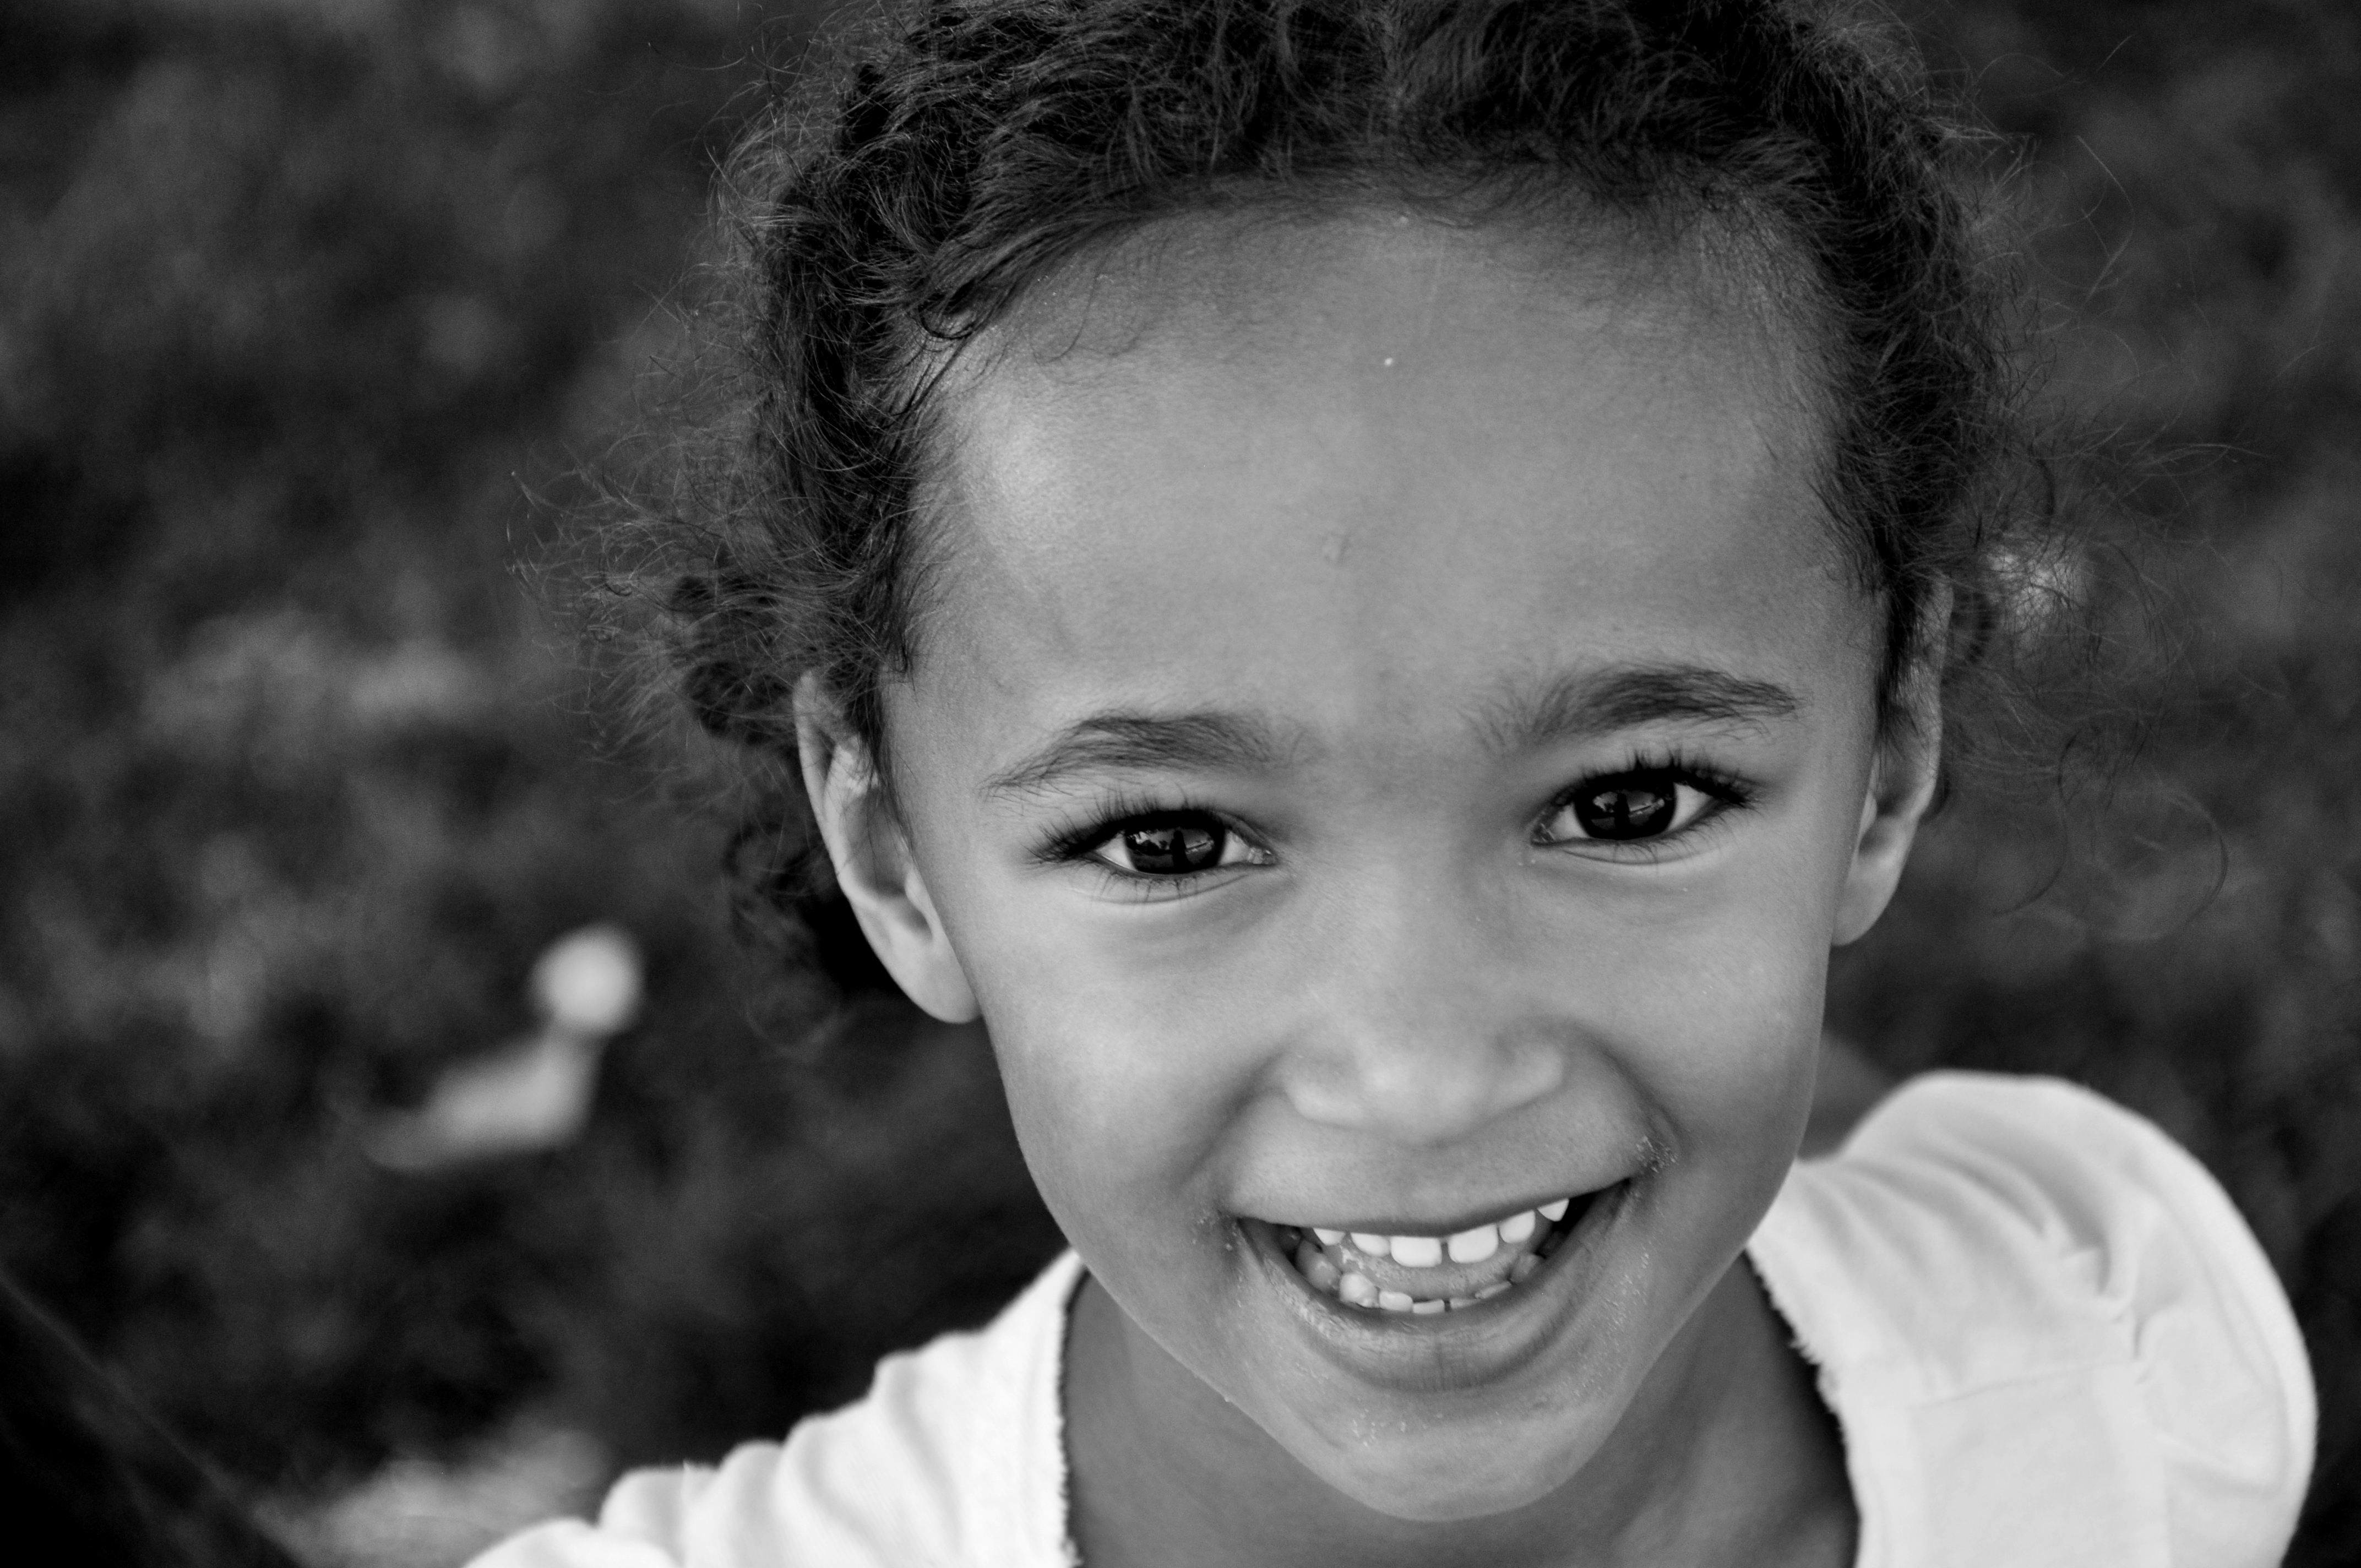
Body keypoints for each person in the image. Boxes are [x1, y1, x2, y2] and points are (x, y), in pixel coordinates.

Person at [478, 1, 2315, 1561]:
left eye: (1627, 806)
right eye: (1171, 839)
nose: (1427, 1078)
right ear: (889, 850)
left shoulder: (2126, 1367)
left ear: (1891, 752)